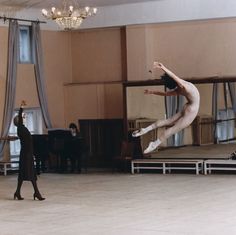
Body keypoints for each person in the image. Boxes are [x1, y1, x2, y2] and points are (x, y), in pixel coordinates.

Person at [132, 62, 200, 154]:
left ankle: (146, 130)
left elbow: (173, 77)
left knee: (168, 121)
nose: (176, 91)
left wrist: (163, 67)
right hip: (192, 109)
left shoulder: (182, 87)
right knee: (172, 129)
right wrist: (152, 91)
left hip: (188, 106)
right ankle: (153, 143)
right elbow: (167, 91)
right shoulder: (183, 87)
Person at [13, 100, 45, 201]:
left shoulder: (22, 128)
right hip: (26, 154)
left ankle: (18, 192)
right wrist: (21, 107)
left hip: (28, 153)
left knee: (24, 174)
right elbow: (20, 119)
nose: (23, 119)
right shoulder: (20, 128)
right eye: (22, 118)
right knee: (30, 174)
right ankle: (36, 192)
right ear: (19, 121)